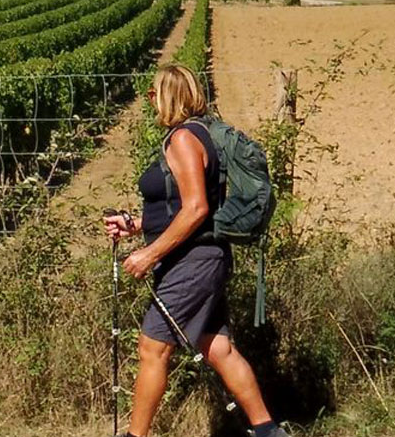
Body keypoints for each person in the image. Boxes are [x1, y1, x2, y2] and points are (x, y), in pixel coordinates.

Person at [102, 64, 283, 437]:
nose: (150, 103)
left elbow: (197, 208)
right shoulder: (196, 135)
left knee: (152, 348)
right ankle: (268, 431)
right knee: (217, 347)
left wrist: (148, 255)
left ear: (167, 96)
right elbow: (176, 206)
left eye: (152, 95)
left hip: (191, 263)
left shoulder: (184, 139)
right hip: (203, 258)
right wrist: (136, 224)